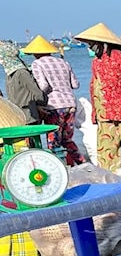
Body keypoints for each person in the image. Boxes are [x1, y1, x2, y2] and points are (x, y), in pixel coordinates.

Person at [74, 21, 121, 170]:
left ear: (102, 43)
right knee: (106, 151)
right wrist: (95, 111)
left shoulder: (117, 56)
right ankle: (111, 180)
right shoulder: (96, 61)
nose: (90, 47)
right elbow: (94, 85)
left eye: (92, 43)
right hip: (105, 114)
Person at [22, 35, 84, 166]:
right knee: (67, 139)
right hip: (71, 104)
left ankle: (58, 167)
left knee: (53, 141)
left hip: (54, 106)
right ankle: (82, 163)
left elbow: (43, 86)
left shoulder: (37, 64)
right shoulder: (64, 62)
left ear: (35, 53)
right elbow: (76, 84)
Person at [0, 40, 45, 122]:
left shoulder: (21, 72)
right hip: (17, 115)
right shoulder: (10, 74)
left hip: (29, 115)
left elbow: (35, 90)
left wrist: (41, 105)